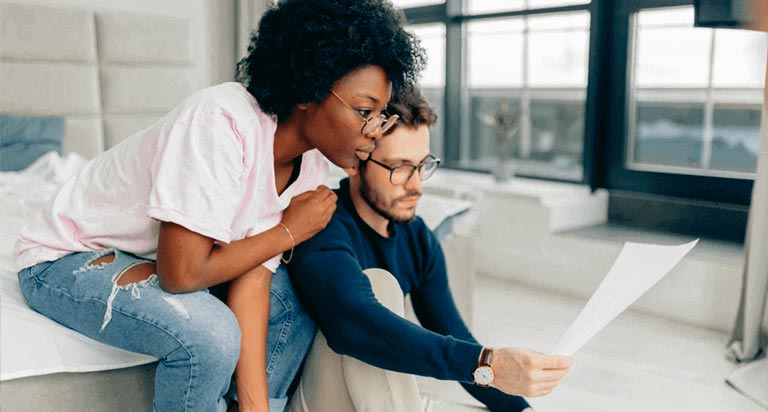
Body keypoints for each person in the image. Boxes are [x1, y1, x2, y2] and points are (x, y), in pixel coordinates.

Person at [14, 1, 425, 411]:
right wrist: (288, 231)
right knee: (211, 334)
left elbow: (254, 279)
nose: (375, 132)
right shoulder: (220, 120)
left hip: (144, 256)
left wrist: (256, 405)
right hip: (67, 255)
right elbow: (181, 273)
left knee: (296, 295)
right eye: (364, 111)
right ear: (308, 90)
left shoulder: (315, 161)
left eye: (381, 115)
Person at [286, 86, 573, 412]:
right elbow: (356, 324)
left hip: (378, 403)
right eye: (400, 167)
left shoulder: (418, 238)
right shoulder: (322, 222)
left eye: (422, 165)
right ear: (355, 162)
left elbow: (456, 337)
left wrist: (521, 408)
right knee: (380, 286)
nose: (417, 184)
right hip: (319, 401)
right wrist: (488, 363)